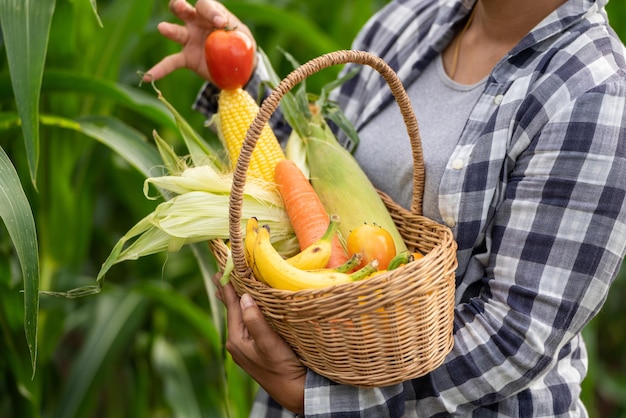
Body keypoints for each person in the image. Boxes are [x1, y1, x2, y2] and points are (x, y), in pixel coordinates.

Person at [146, 0, 626, 416]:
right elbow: (314, 176)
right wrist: (240, 78)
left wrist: (324, 400)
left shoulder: (593, 90)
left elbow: (517, 334)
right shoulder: (409, 18)